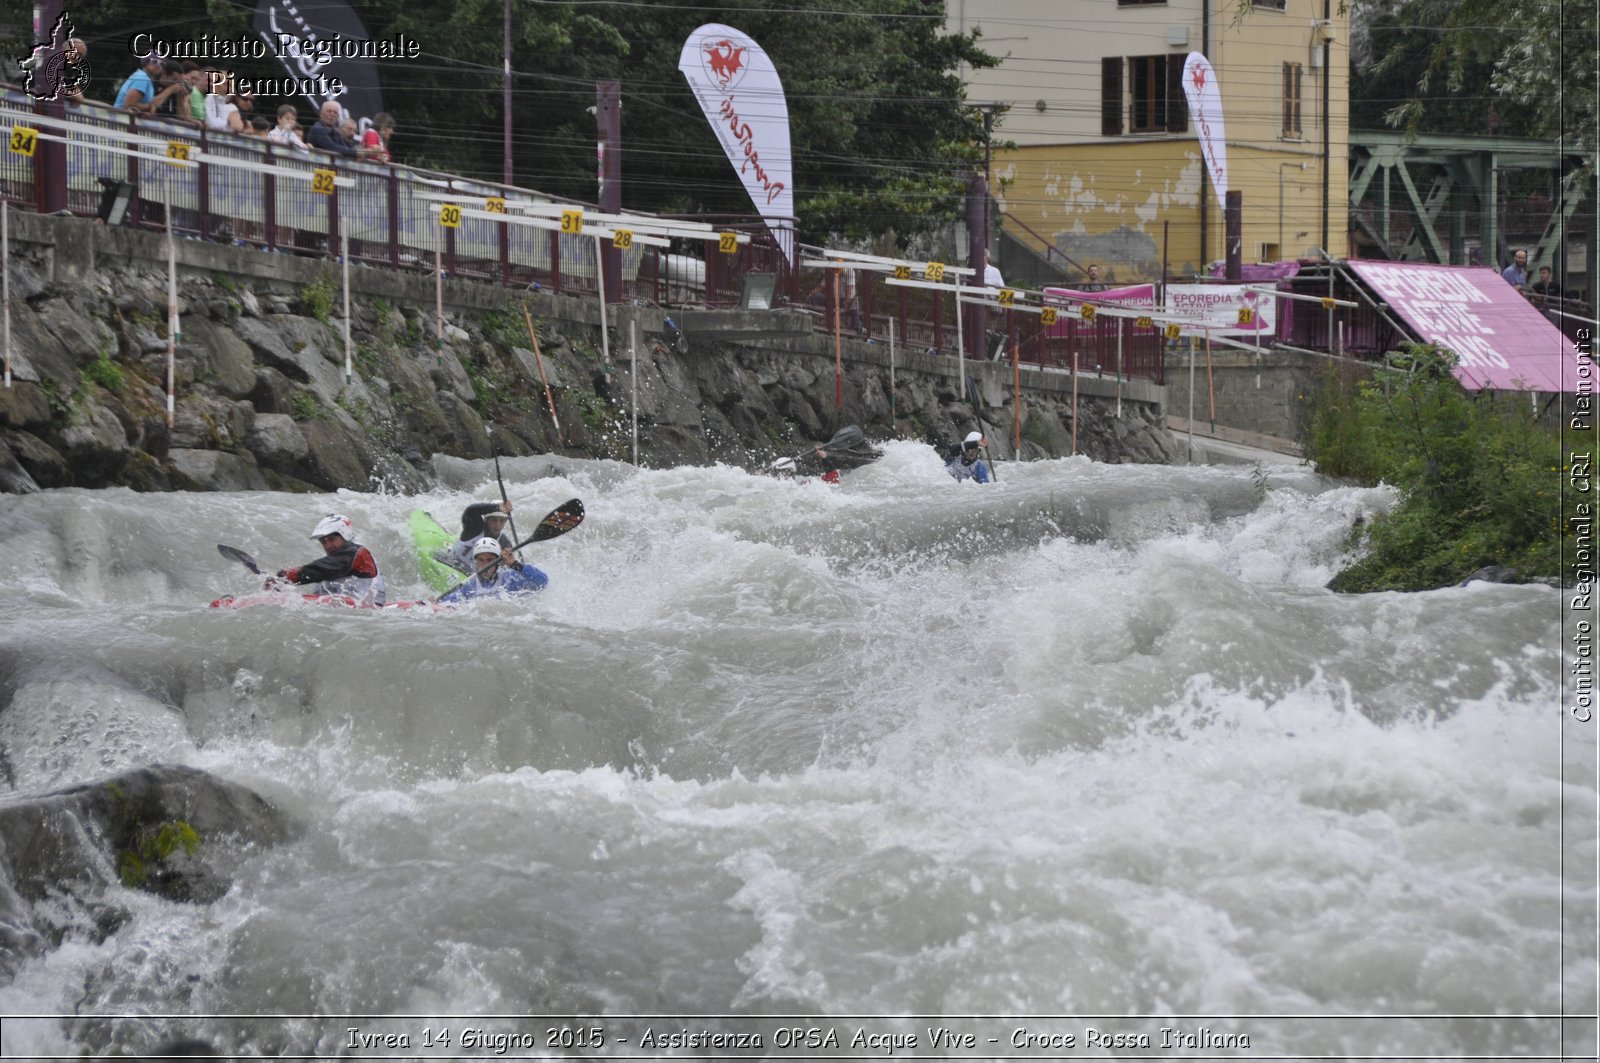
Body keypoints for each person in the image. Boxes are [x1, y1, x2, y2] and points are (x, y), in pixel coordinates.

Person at [270, 513, 386, 604]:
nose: (328, 546)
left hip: (364, 608)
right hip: (345, 609)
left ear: (344, 535)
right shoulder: (332, 562)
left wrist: (288, 576)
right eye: (323, 542)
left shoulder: (357, 554)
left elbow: (319, 570)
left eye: (331, 539)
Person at [438, 537, 548, 603]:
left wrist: (515, 565)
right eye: (481, 560)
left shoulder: (509, 579)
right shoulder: (469, 586)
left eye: (490, 560)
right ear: (475, 562)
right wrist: (435, 602)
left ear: (498, 561)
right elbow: (450, 601)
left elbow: (542, 581)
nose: (485, 564)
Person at [441, 500, 517, 573]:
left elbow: (505, 570)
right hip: (450, 563)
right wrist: (497, 507)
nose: (498, 525)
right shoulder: (475, 526)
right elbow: (471, 511)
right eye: (494, 520)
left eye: (502, 521)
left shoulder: (504, 543)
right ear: (487, 520)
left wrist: (511, 562)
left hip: (469, 576)